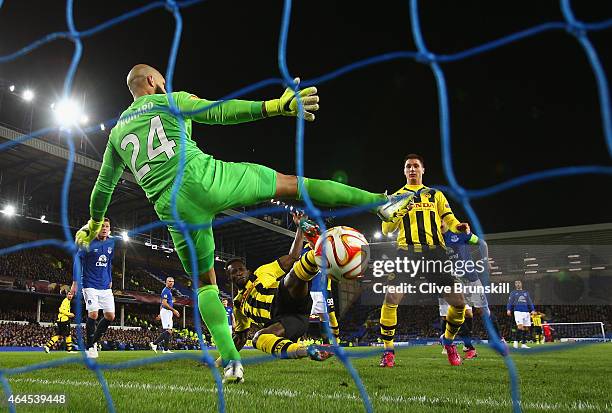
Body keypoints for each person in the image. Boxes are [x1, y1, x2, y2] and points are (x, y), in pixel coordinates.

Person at [75, 64, 411, 382]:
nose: (164, 82)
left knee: (204, 284)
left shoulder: (117, 134)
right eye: (161, 79)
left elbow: (104, 187)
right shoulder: (167, 101)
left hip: (172, 208)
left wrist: (93, 222)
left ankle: (231, 360)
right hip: (203, 178)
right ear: (150, 82)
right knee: (294, 184)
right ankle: (379, 202)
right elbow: (219, 112)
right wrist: (276, 106)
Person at [378, 154, 470, 367]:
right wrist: (401, 210)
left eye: (415, 166)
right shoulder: (395, 197)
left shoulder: (435, 194)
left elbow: (449, 218)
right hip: (406, 252)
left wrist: (459, 227)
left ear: (422, 170)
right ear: (404, 171)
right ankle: (388, 352)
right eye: (408, 166)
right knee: (391, 298)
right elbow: (386, 228)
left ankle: (448, 341)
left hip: (435, 252)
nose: (412, 169)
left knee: (459, 303)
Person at [223, 212, 333, 365]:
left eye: (240, 269)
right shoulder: (238, 304)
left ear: (247, 270)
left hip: (284, 297)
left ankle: (318, 252)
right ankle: (308, 351)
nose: (239, 273)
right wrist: (223, 359)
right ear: (230, 278)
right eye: (233, 272)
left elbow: (292, 257)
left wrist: (300, 228)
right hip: (287, 320)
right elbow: (240, 338)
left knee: (294, 274)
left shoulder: (262, 271)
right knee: (258, 338)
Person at [437, 220, 504, 359]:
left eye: (441, 219)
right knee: (463, 313)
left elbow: (482, 243)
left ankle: (497, 340)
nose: (439, 222)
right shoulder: (433, 241)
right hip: (452, 283)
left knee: (482, 311)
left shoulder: (459, 235)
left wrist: (485, 261)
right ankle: (468, 346)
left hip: (471, 279)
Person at [71, 218, 115, 359]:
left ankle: (93, 341)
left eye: (107, 226)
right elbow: (78, 260)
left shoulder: (111, 242)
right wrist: (75, 282)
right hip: (89, 284)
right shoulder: (88, 242)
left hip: (105, 285)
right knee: (94, 314)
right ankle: (90, 345)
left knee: (110, 316)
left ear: (109, 229)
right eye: (102, 226)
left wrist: (110, 278)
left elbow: (109, 262)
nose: (104, 228)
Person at [150, 277, 180, 354]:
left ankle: (166, 349)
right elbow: (164, 303)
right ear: (166, 282)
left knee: (169, 331)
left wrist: (160, 314)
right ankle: (154, 343)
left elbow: (161, 304)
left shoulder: (169, 291)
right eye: (169, 281)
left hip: (167, 312)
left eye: (172, 281)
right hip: (167, 312)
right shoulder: (165, 291)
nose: (171, 283)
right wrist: (174, 310)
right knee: (168, 331)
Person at [507, 280, 535, 349]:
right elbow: (510, 302)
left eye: (519, 283)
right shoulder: (513, 293)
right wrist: (508, 309)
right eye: (516, 283)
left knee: (526, 328)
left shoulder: (526, 293)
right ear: (515, 285)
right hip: (518, 311)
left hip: (526, 312)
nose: (518, 284)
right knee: (520, 327)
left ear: (521, 284)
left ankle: (523, 344)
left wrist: (533, 310)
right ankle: (516, 342)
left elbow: (529, 302)